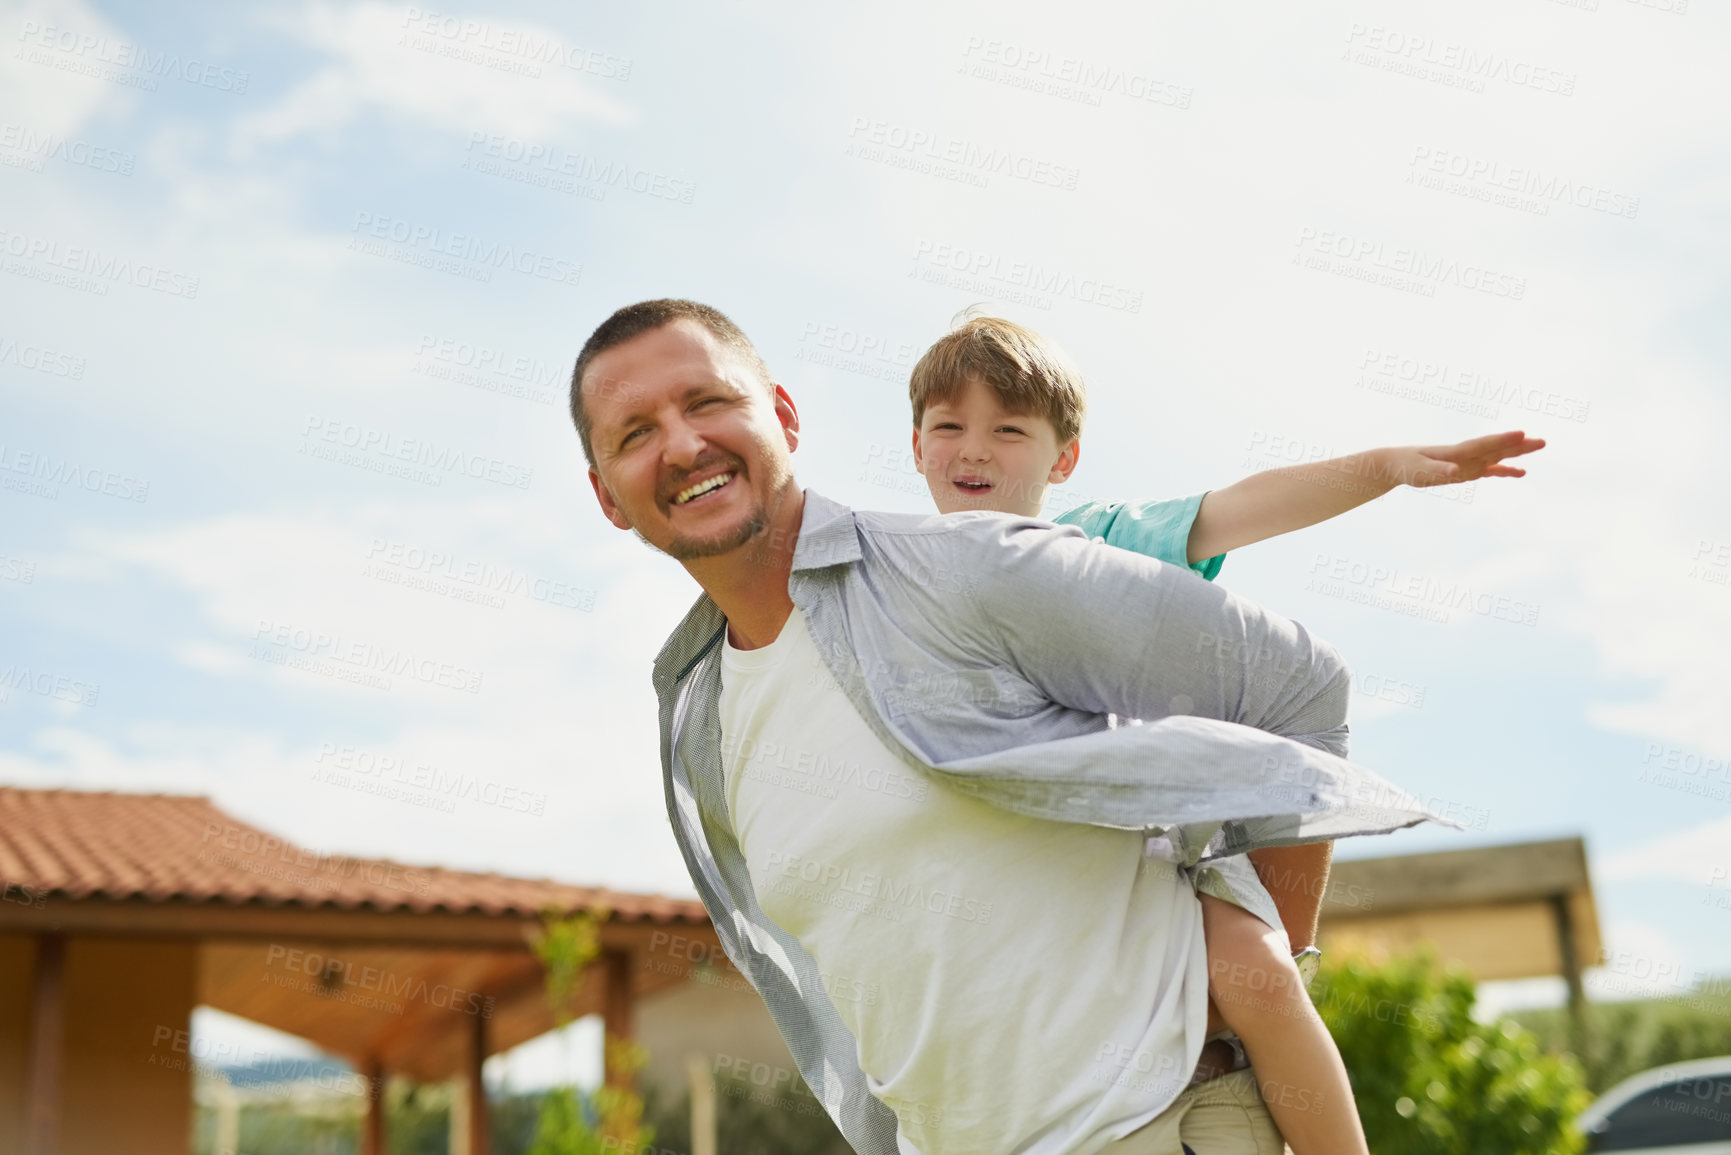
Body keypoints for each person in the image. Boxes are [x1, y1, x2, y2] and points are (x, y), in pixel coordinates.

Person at [574, 298, 1450, 1155]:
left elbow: (1299, 685)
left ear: (785, 417)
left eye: (707, 401)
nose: (683, 444)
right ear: (607, 495)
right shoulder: (701, 726)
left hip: (1156, 1126)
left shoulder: (969, 566)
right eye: (634, 432)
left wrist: (1254, 968)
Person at [904, 315, 1545, 1154]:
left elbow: (1242, 506)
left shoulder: (1092, 542)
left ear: (1061, 458)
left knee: (1255, 972)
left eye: (1008, 430)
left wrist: (1386, 468)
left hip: (1150, 854)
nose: (973, 450)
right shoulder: (898, 575)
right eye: (948, 426)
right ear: (915, 445)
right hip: (1016, 875)